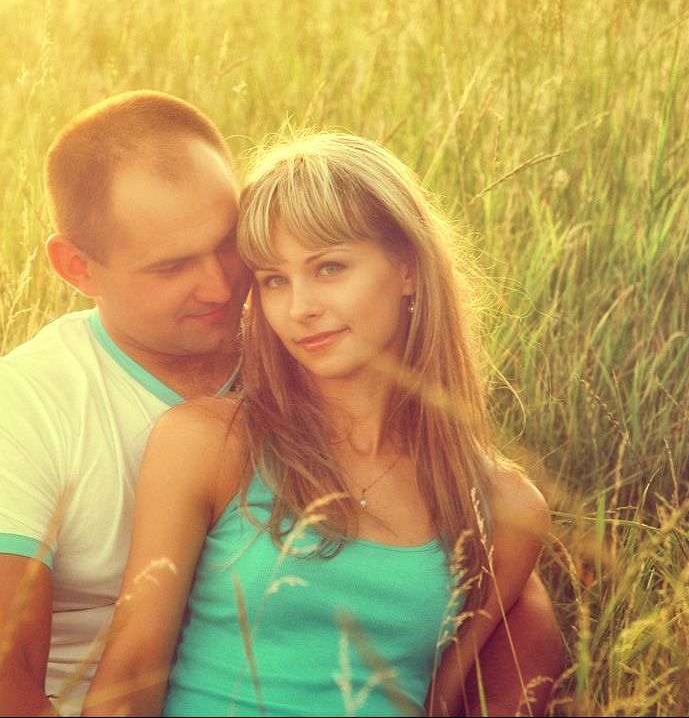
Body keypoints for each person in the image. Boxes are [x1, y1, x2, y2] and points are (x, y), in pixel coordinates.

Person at [0, 92, 562, 717]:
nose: (224, 286)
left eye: (230, 247)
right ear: (78, 268)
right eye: (172, 267)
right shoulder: (24, 409)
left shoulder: (476, 485)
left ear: (409, 269)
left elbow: (476, 657)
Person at [85, 132, 556, 717]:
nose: (300, 307)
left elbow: (440, 702)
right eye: (274, 279)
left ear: (408, 269)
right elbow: (130, 676)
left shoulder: (504, 508)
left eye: (329, 268)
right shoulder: (210, 443)